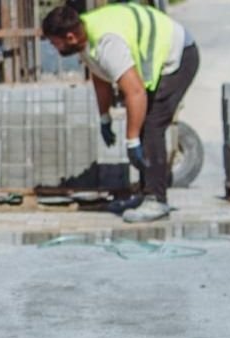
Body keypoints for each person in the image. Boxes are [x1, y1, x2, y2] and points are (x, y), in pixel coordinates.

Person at [42, 1, 199, 224]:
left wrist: (132, 139)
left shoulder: (108, 43)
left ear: (69, 37)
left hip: (178, 56)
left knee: (152, 124)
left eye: (53, 42)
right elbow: (101, 76)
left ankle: (156, 199)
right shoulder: (85, 33)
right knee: (143, 120)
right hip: (167, 50)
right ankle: (145, 194)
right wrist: (104, 116)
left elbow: (135, 93)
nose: (53, 48)